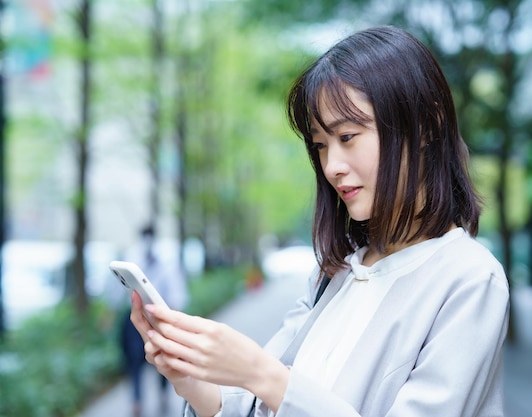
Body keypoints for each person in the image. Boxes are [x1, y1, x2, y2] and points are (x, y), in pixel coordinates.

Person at [130, 25, 510, 417]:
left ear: (426, 126)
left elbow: (272, 385)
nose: (331, 167)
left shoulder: (469, 280)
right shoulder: (337, 273)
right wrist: (189, 375)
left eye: (347, 137)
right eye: (320, 146)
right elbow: (253, 406)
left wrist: (263, 374)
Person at [119, 225, 188, 417]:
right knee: (134, 360)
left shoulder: (166, 260)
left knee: (161, 357)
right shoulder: (132, 258)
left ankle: (164, 394)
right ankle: (137, 400)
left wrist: (174, 318)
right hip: (135, 316)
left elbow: (176, 291)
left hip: (159, 317)